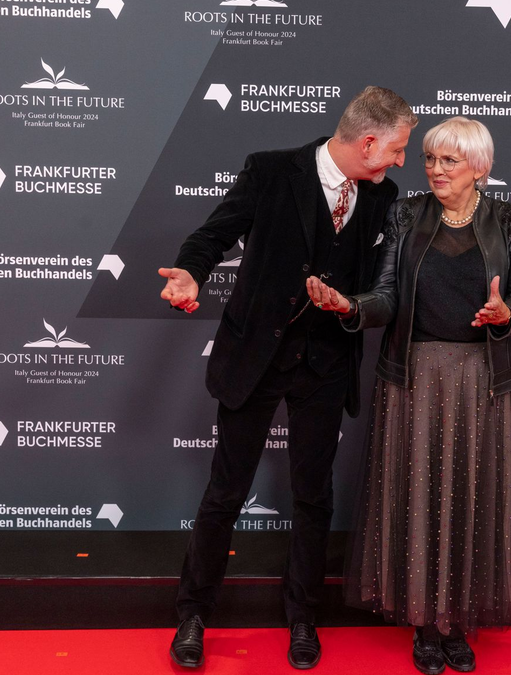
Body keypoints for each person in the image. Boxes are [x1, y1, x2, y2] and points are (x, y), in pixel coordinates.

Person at [159, 86, 418, 670]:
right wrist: (190, 274)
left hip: (325, 363)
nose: (403, 161)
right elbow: (211, 237)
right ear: (369, 142)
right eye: (399, 149)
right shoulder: (271, 171)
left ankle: (304, 616)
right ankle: (193, 614)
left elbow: (379, 286)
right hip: (256, 358)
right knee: (225, 492)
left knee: (313, 495)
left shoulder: (383, 196)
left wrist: (347, 304)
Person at [307, 116, 511, 674]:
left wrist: (506, 314)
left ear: (478, 167)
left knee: (473, 502)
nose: (435, 169)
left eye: (448, 161)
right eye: (430, 159)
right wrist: (352, 306)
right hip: (413, 377)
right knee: (418, 499)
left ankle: (459, 624)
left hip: (483, 382)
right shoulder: (406, 212)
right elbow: (386, 296)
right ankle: (424, 627)